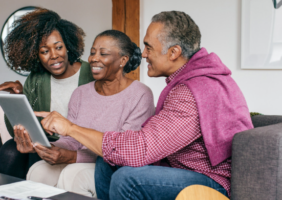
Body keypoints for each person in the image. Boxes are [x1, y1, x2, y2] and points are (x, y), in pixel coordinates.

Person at [35, 11, 254, 200]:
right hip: (180, 170)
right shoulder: (190, 81)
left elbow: (141, 149)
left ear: (174, 52)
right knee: (107, 162)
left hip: (210, 181)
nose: (144, 54)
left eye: (148, 47)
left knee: (127, 179)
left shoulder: (192, 90)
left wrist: (71, 127)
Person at [25, 30, 155, 198]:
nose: (93, 58)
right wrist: (51, 149)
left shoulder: (140, 94)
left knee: (74, 175)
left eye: (103, 53)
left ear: (123, 60)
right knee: (39, 171)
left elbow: (123, 152)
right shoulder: (80, 93)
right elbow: (71, 140)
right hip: (79, 159)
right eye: (93, 52)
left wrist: (73, 157)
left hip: (110, 167)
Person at [0, 8, 94, 179]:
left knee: (32, 157)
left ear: (68, 45)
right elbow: (17, 129)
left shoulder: (91, 74)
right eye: (44, 51)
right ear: (35, 54)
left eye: (58, 47)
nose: (54, 56)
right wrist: (18, 97)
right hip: (46, 143)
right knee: (9, 150)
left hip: (79, 143)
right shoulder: (36, 79)